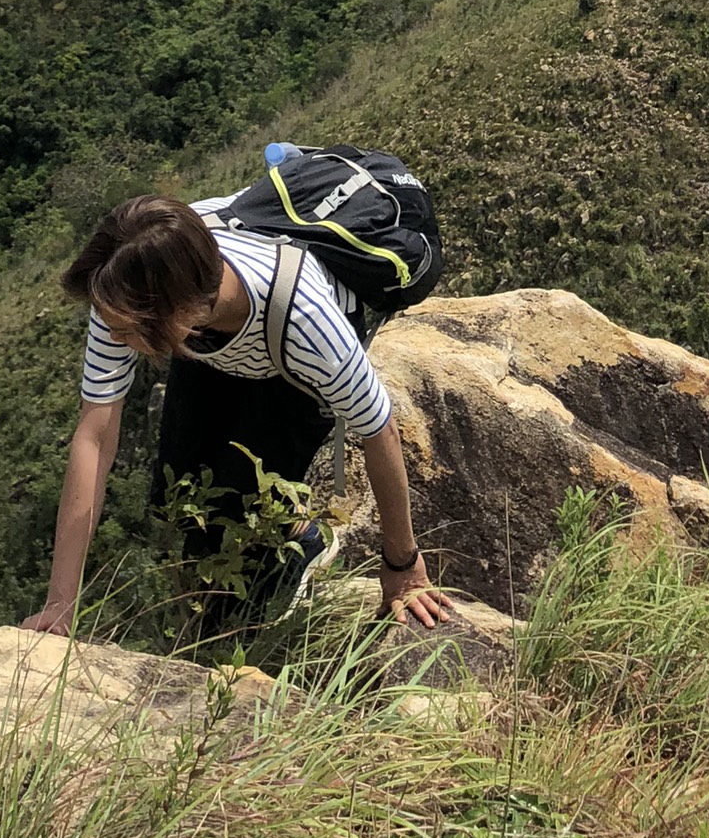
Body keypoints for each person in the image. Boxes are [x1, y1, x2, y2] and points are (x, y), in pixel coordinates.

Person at [24, 193, 452, 633]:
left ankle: (296, 547)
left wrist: (403, 568)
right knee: (181, 493)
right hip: (220, 337)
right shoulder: (127, 285)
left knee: (236, 510)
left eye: (125, 329)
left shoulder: (308, 322)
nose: (112, 332)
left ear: (180, 312)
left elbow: (380, 431)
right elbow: (94, 436)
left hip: (283, 351)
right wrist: (61, 603)